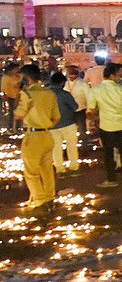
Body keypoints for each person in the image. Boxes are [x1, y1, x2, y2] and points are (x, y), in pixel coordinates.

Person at [15, 64, 60, 214]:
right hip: (47, 135)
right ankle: (49, 197)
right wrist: (44, 125)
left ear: (27, 78)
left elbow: (19, 114)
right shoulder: (49, 93)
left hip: (33, 136)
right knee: (46, 170)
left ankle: (40, 201)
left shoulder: (26, 94)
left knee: (31, 172)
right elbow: (56, 118)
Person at [88, 62, 122, 188]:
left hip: (106, 125)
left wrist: (94, 119)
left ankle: (111, 178)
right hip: (121, 123)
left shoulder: (95, 90)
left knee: (108, 153)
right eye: (118, 75)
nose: (120, 77)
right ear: (112, 75)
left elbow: (92, 109)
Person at [46, 72, 80, 177]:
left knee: (56, 147)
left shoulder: (46, 94)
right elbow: (75, 107)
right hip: (68, 123)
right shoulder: (65, 94)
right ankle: (74, 167)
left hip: (51, 125)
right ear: (62, 83)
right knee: (71, 146)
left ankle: (59, 169)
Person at [1, 64, 21, 131]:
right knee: (12, 112)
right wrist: (5, 97)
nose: (18, 70)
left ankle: (17, 127)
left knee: (19, 112)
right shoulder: (6, 77)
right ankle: (11, 127)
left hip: (18, 96)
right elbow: (3, 88)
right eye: (16, 69)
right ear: (11, 70)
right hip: (10, 97)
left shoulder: (18, 77)